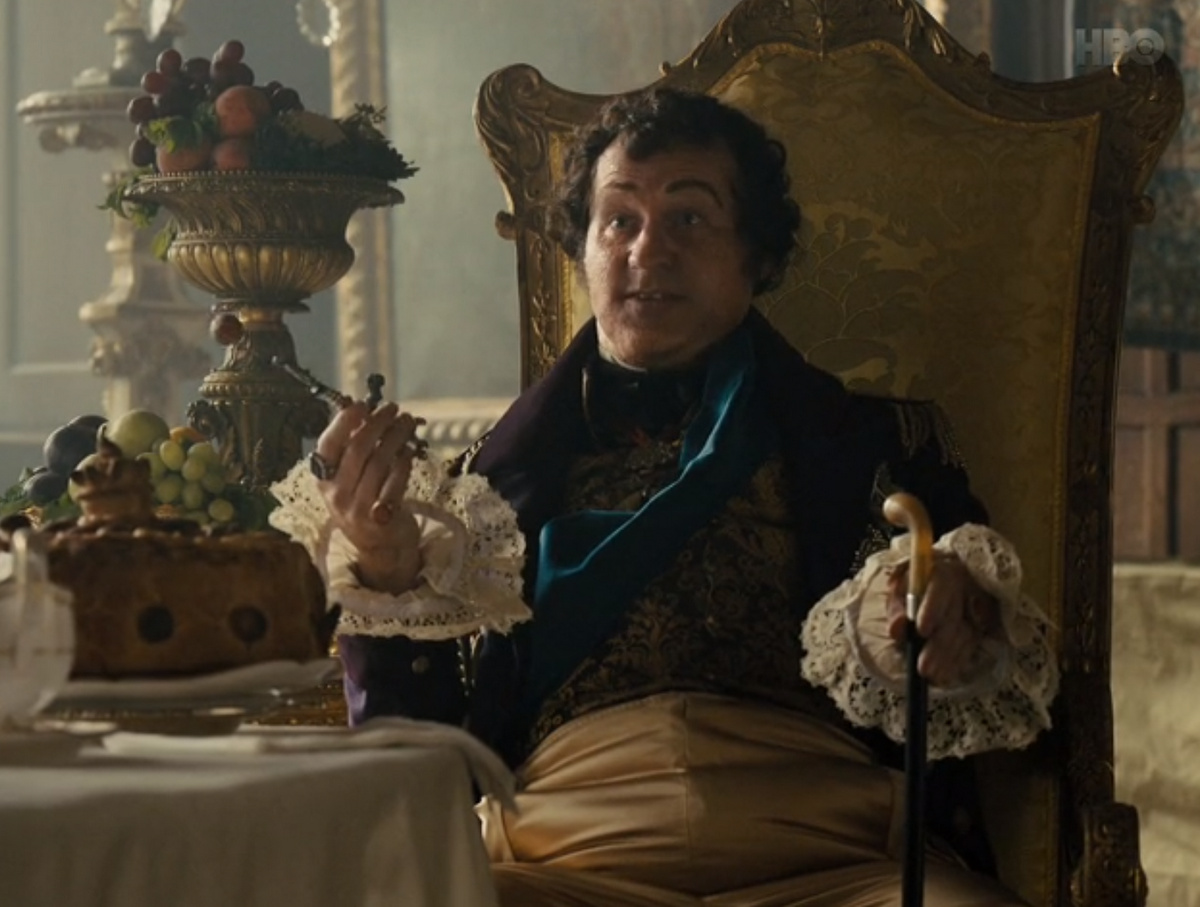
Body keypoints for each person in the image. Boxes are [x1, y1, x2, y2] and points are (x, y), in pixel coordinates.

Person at [272, 88, 1056, 907]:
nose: (649, 249)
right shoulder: (474, 490)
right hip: (561, 860)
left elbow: (981, 655)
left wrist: (955, 610)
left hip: (835, 856)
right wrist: (387, 572)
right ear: (582, 250)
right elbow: (419, 758)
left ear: (756, 255)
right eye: (620, 220)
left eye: (689, 217)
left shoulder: (882, 447)